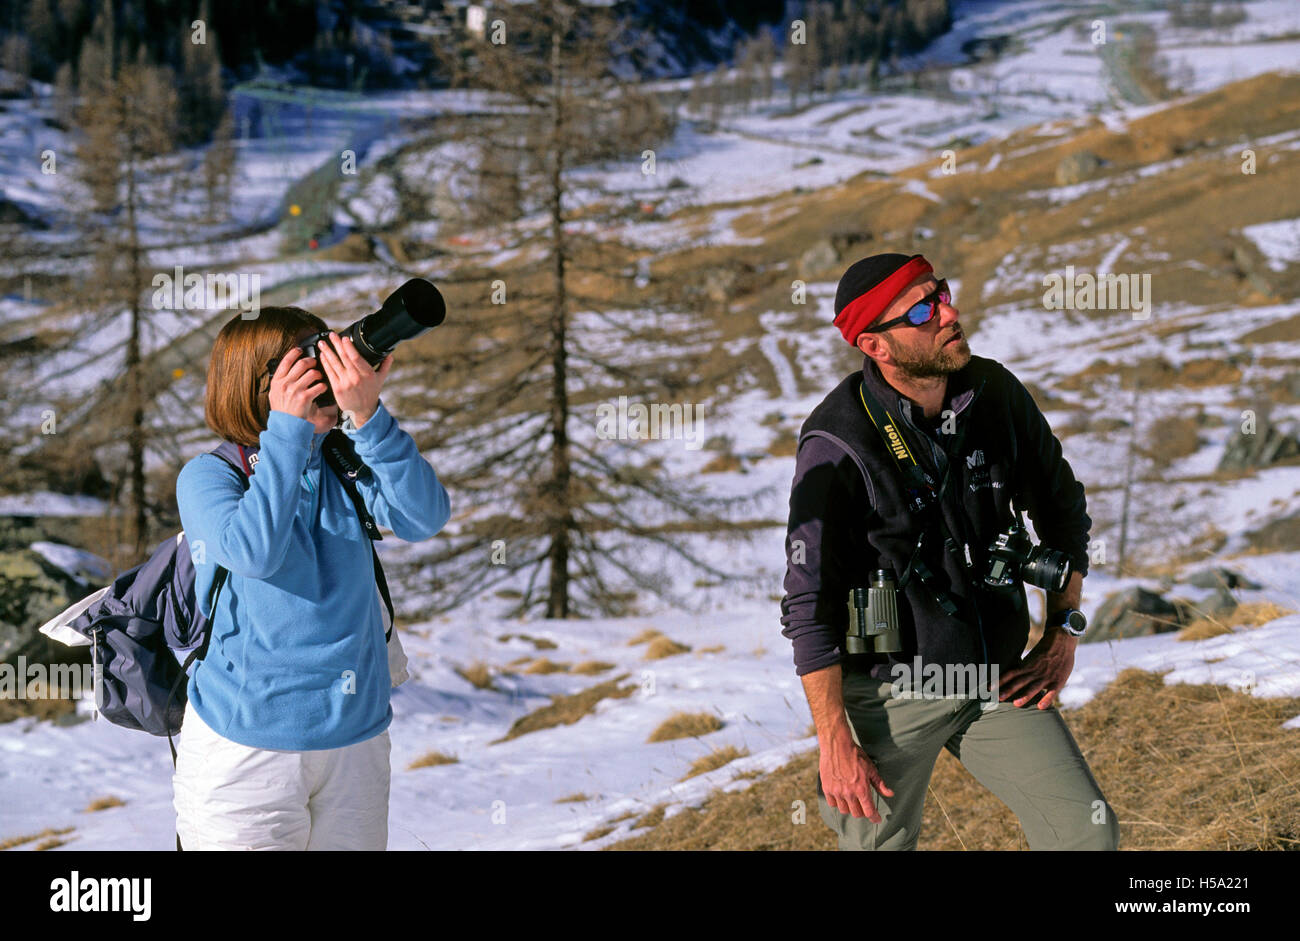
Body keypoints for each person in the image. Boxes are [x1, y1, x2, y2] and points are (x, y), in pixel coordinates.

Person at [780, 253, 1119, 851]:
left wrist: (1063, 628)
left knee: (1084, 835)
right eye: (921, 309)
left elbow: (1065, 512)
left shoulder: (995, 393)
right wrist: (835, 745)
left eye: (941, 293)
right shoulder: (837, 442)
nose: (948, 312)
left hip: (997, 680)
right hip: (890, 695)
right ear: (875, 345)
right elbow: (809, 602)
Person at [172, 306, 450, 850]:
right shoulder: (210, 476)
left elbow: (425, 516)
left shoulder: (344, 462)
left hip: (355, 740)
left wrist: (369, 417)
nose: (323, 373)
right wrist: (286, 435)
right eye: (305, 363)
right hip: (245, 750)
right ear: (257, 385)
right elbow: (254, 553)